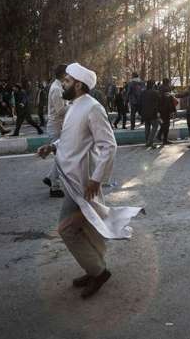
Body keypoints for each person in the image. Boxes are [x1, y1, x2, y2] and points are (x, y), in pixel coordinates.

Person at [36, 63, 143, 299]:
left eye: (66, 80)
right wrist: (52, 147)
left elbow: (109, 145)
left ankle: (98, 271)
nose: (62, 84)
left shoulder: (93, 108)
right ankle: (93, 268)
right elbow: (71, 140)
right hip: (71, 181)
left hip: (83, 184)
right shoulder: (74, 106)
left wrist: (96, 180)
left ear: (78, 84)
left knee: (67, 229)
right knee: (86, 227)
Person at [43, 64, 68, 198]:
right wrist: (75, 106)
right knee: (62, 157)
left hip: (57, 125)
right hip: (56, 126)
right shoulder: (57, 89)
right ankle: (54, 186)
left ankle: (50, 177)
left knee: (61, 156)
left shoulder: (58, 87)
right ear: (64, 74)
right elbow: (60, 111)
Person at [140, 79, 161, 148]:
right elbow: (158, 103)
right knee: (155, 127)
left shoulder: (143, 92)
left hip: (144, 113)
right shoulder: (155, 92)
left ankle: (147, 142)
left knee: (147, 128)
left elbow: (140, 103)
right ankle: (150, 142)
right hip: (153, 113)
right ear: (153, 85)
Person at [157, 78, 177, 145]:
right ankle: (164, 140)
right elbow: (169, 101)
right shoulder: (167, 89)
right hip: (166, 110)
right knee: (166, 125)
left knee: (163, 124)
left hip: (161, 109)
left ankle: (159, 135)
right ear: (168, 82)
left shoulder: (159, 88)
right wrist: (173, 110)